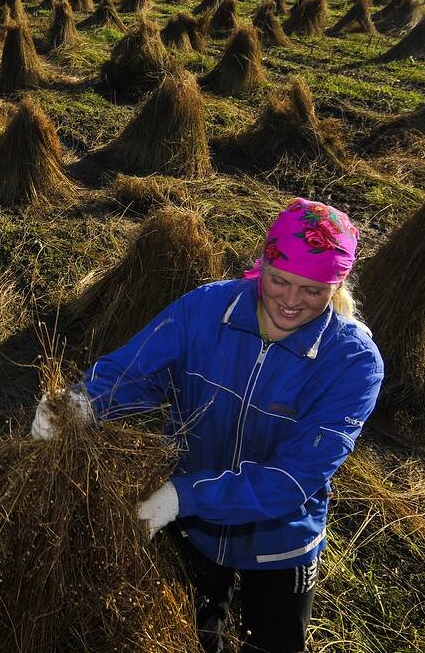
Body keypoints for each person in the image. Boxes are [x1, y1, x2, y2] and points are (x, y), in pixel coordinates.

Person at [32, 198, 383, 653]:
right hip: (196, 532)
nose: (292, 301)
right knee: (196, 634)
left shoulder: (352, 362)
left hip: (280, 542)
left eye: (313, 290)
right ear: (263, 263)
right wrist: (81, 404)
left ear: (335, 285)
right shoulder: (206, 310)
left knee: (274, 642)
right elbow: (137, 369)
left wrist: (184, 495)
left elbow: (294, 477)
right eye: (279, 281)